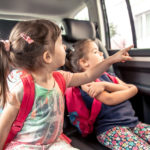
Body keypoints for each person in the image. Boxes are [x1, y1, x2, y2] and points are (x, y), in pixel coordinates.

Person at [0, 19, 132, 150]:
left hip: (54, 142)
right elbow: (4, 127)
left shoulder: (60, 78)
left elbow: (88, 75)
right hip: (26, 145)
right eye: (60, 43)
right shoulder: (21, 88)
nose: (65, 47)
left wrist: (111, 60)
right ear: (47, 57)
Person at [65, 39, 150, 150]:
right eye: (95, 52)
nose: (101, 53)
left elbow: (134, 90)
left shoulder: (109, 76)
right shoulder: (85, 82)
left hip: (133, 123)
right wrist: (130, 89)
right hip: (111, 130)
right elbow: (110, 99)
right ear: (84, 62)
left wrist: (106, 85)